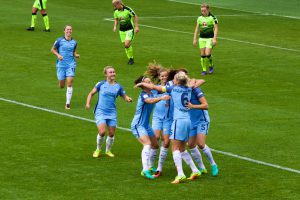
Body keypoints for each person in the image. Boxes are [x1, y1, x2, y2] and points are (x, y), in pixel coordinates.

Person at [135, 72, 201, 184]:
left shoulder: (173, 89)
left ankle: (180, 175)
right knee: (182, 148)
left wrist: (141, 83)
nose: (173, 80)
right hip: (187, 121)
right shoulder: (189, 88)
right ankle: (195, 170)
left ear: (177, 81)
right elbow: (195, 81)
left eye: (174, 79)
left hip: (178, 121)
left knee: (175, 148)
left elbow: (154, 87)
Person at [86, 66, 132, 158]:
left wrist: (128, 99)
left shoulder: (118, 86)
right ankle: (98, 149)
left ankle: (108, 150)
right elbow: (91, 93)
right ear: (106, 74)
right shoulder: (101, 84)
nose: (113, 74)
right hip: (100, 111)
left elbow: (124, 96)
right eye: (110, 72)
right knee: (102, 131)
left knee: (111, 133)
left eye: (113, 72)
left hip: (112, 112)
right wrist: (88, 103)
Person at [131, 76, 170, 180]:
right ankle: (145, 170)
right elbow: (150, 101)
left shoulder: (153, 91)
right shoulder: (144, 95)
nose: (150, 83)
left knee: (155, 145)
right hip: (138, 124)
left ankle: (150, 166)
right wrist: (161, 98)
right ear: (143, 85)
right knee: (147, 144)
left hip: (146, 124)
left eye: (150, 81)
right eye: (147, 81)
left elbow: (163, 89)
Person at [144, 63, 172, 178]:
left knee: (166, 142)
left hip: (168, 118)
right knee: (155, 138)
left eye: (165, 76)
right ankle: (150, 165)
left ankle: (159, 168)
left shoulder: (171, 86)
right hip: (157, 117)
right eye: (162, 76)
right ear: (159, 77)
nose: (164, 78)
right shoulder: (155, 88)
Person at [187, 87, 219, 176]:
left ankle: (213, 164)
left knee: (201, 144)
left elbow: (206, 105)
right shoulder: (181, 89)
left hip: (202, 120)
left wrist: (192, 106)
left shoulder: (195, 89)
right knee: (191, 145)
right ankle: (202, 167)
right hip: (191, 121)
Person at [51, 25, 80, 109]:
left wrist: (76, 55)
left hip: (71, 64)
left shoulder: (74, 42)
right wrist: (58, 55)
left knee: (70, 82)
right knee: (61, 86)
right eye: (67, 29)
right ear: (64, 31)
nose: (69, 31)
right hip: (61, 65)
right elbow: (52, 49)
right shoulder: (59, 40)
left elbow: (73, 52)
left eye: (70, 29)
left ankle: (67, 104)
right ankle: (60, 81)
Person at [193, 3, 218, 75]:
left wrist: (214, 39)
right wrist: (195, 39)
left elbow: (216, 28)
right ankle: (204, 70)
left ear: (208, 9)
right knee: (202, 54)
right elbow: (197, 28)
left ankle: (211, 65)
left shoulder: (213, 18)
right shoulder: (199, 18)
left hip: (210, 38)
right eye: (202, 11)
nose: (203, 12)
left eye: (204, 10)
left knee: (208, 54)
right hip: (202, 39)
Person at [112, 0, 139, 65]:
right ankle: (131, 58)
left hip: (129, 29)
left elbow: (135, 16)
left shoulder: (128, 9)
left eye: (115, 5)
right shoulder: (115, 11)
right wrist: (115, 26)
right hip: (121, 31)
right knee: (126, 46)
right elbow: (116, 19)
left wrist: (136, 27)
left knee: (127, 45)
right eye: (114, 6)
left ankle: (131, 58)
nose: (115, 7)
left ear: (119, 3)